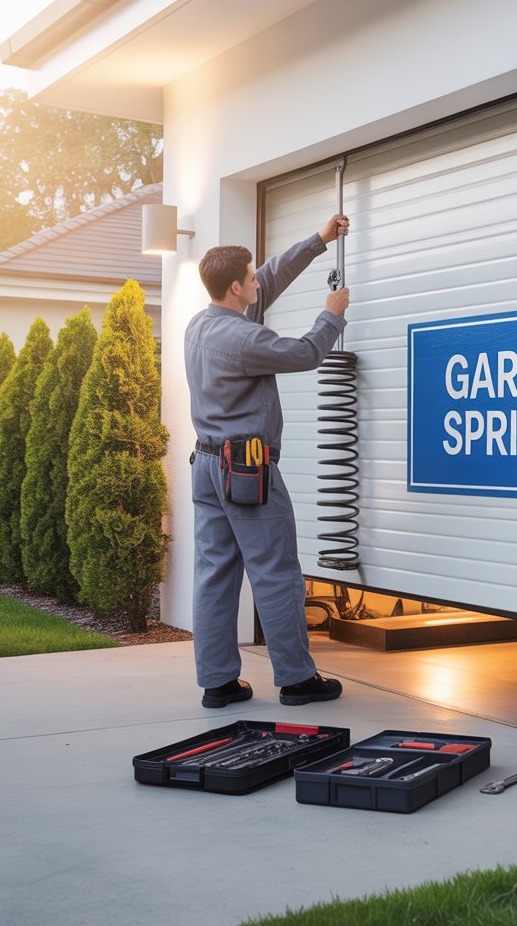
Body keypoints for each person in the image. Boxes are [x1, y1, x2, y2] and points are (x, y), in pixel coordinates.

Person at [184, 215, 350, 708]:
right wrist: (332, 315)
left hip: (207, 466)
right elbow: (305, 354)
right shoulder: (243, 340)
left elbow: (272, 275)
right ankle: (297, 680)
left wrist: (319, 241)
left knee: (215, 575)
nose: (259, 281)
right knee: (276, 572)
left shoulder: (201, 325)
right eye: (250, 277)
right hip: (246, 470)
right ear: (236, 288)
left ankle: (217, 683)